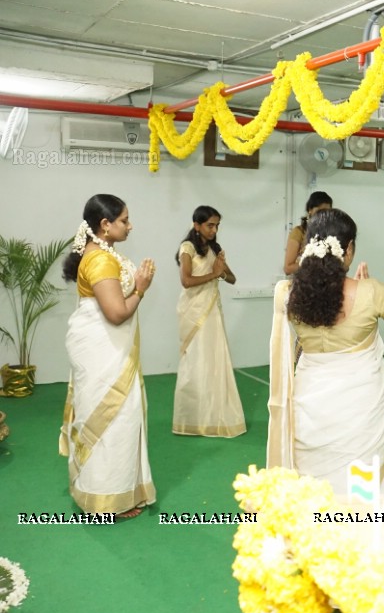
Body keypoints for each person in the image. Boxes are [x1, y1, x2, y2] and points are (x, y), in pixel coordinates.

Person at [266, 208, 384, 494]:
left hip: (309, 403)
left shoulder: (288, 294)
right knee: (359, 487)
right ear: (348, 249)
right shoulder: (370, 292)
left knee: (313, 483)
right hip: (358, 409)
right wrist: (369, 291)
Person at [60, 194, 156, 519]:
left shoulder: (103, 253)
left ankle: (111, 492)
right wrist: (141, 287)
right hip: (105, 349)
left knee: (119, 418)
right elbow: (116, 313)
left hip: (109, 348)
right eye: (124, 220)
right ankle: (106, 500)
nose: (130, 226)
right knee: (114, 419)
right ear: (105, 225)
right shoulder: (100, 260)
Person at [172, 205, 246, 438]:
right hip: (194, 312)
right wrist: (215, 273)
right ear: (197, 225)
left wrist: (221, 270)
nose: (214, 230)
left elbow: (232, 278)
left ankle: (216, 416)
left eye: (217, 225)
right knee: (196, 361)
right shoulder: (187, 248)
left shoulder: (215, 249)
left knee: (214, 360)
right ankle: (192, 419)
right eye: (210, 225)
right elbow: (186, 280)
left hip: (213, 311)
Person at [283, 191, 333, 276]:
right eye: (319, 211)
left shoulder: (332, 233)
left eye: (327, 212)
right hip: (303, 284)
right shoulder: (299, 232)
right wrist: (315, 265)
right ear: (310, 210)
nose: (323, 216)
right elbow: (288, 268)